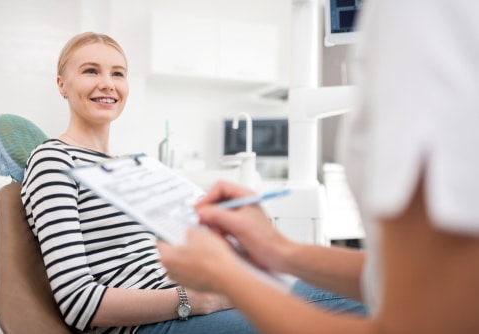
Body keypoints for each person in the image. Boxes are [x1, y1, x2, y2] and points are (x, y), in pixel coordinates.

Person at [157, 1, 479, 333]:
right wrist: (278, 249)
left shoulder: (421, 16)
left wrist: (228, 276)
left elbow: (423, 321)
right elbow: (414, 278)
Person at [21, 32, 365, 334]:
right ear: (62, 84)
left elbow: (156, 253)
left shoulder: (128, 168)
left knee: (365, 298)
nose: (108, 83)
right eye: (90, 70)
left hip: (197, 294)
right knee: (361, 307)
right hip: (152, 322)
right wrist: (195, 300)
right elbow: (79, 303)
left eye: (118, 73)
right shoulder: (54, 159)